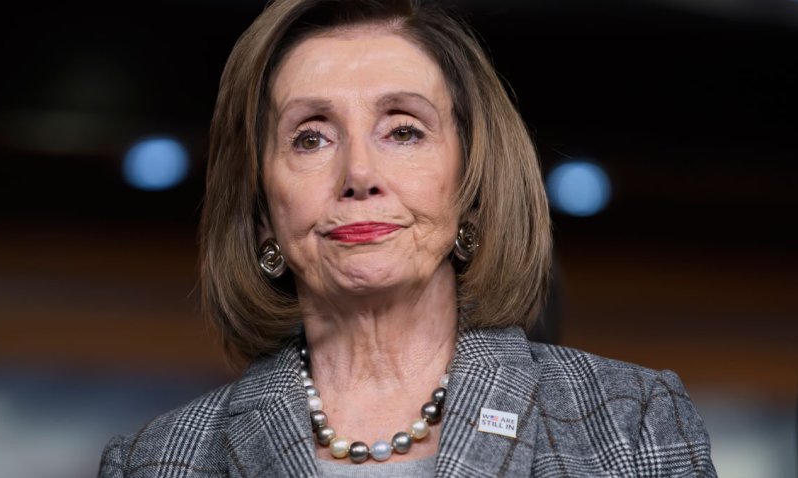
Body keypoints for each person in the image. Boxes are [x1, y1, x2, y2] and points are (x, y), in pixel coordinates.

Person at [98, 0, 716, 476]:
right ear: (261, 211)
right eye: (311, 137)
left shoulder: (630, 419)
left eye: (403, 130)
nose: (359, 175)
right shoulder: (159, 460)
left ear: (470, 186)